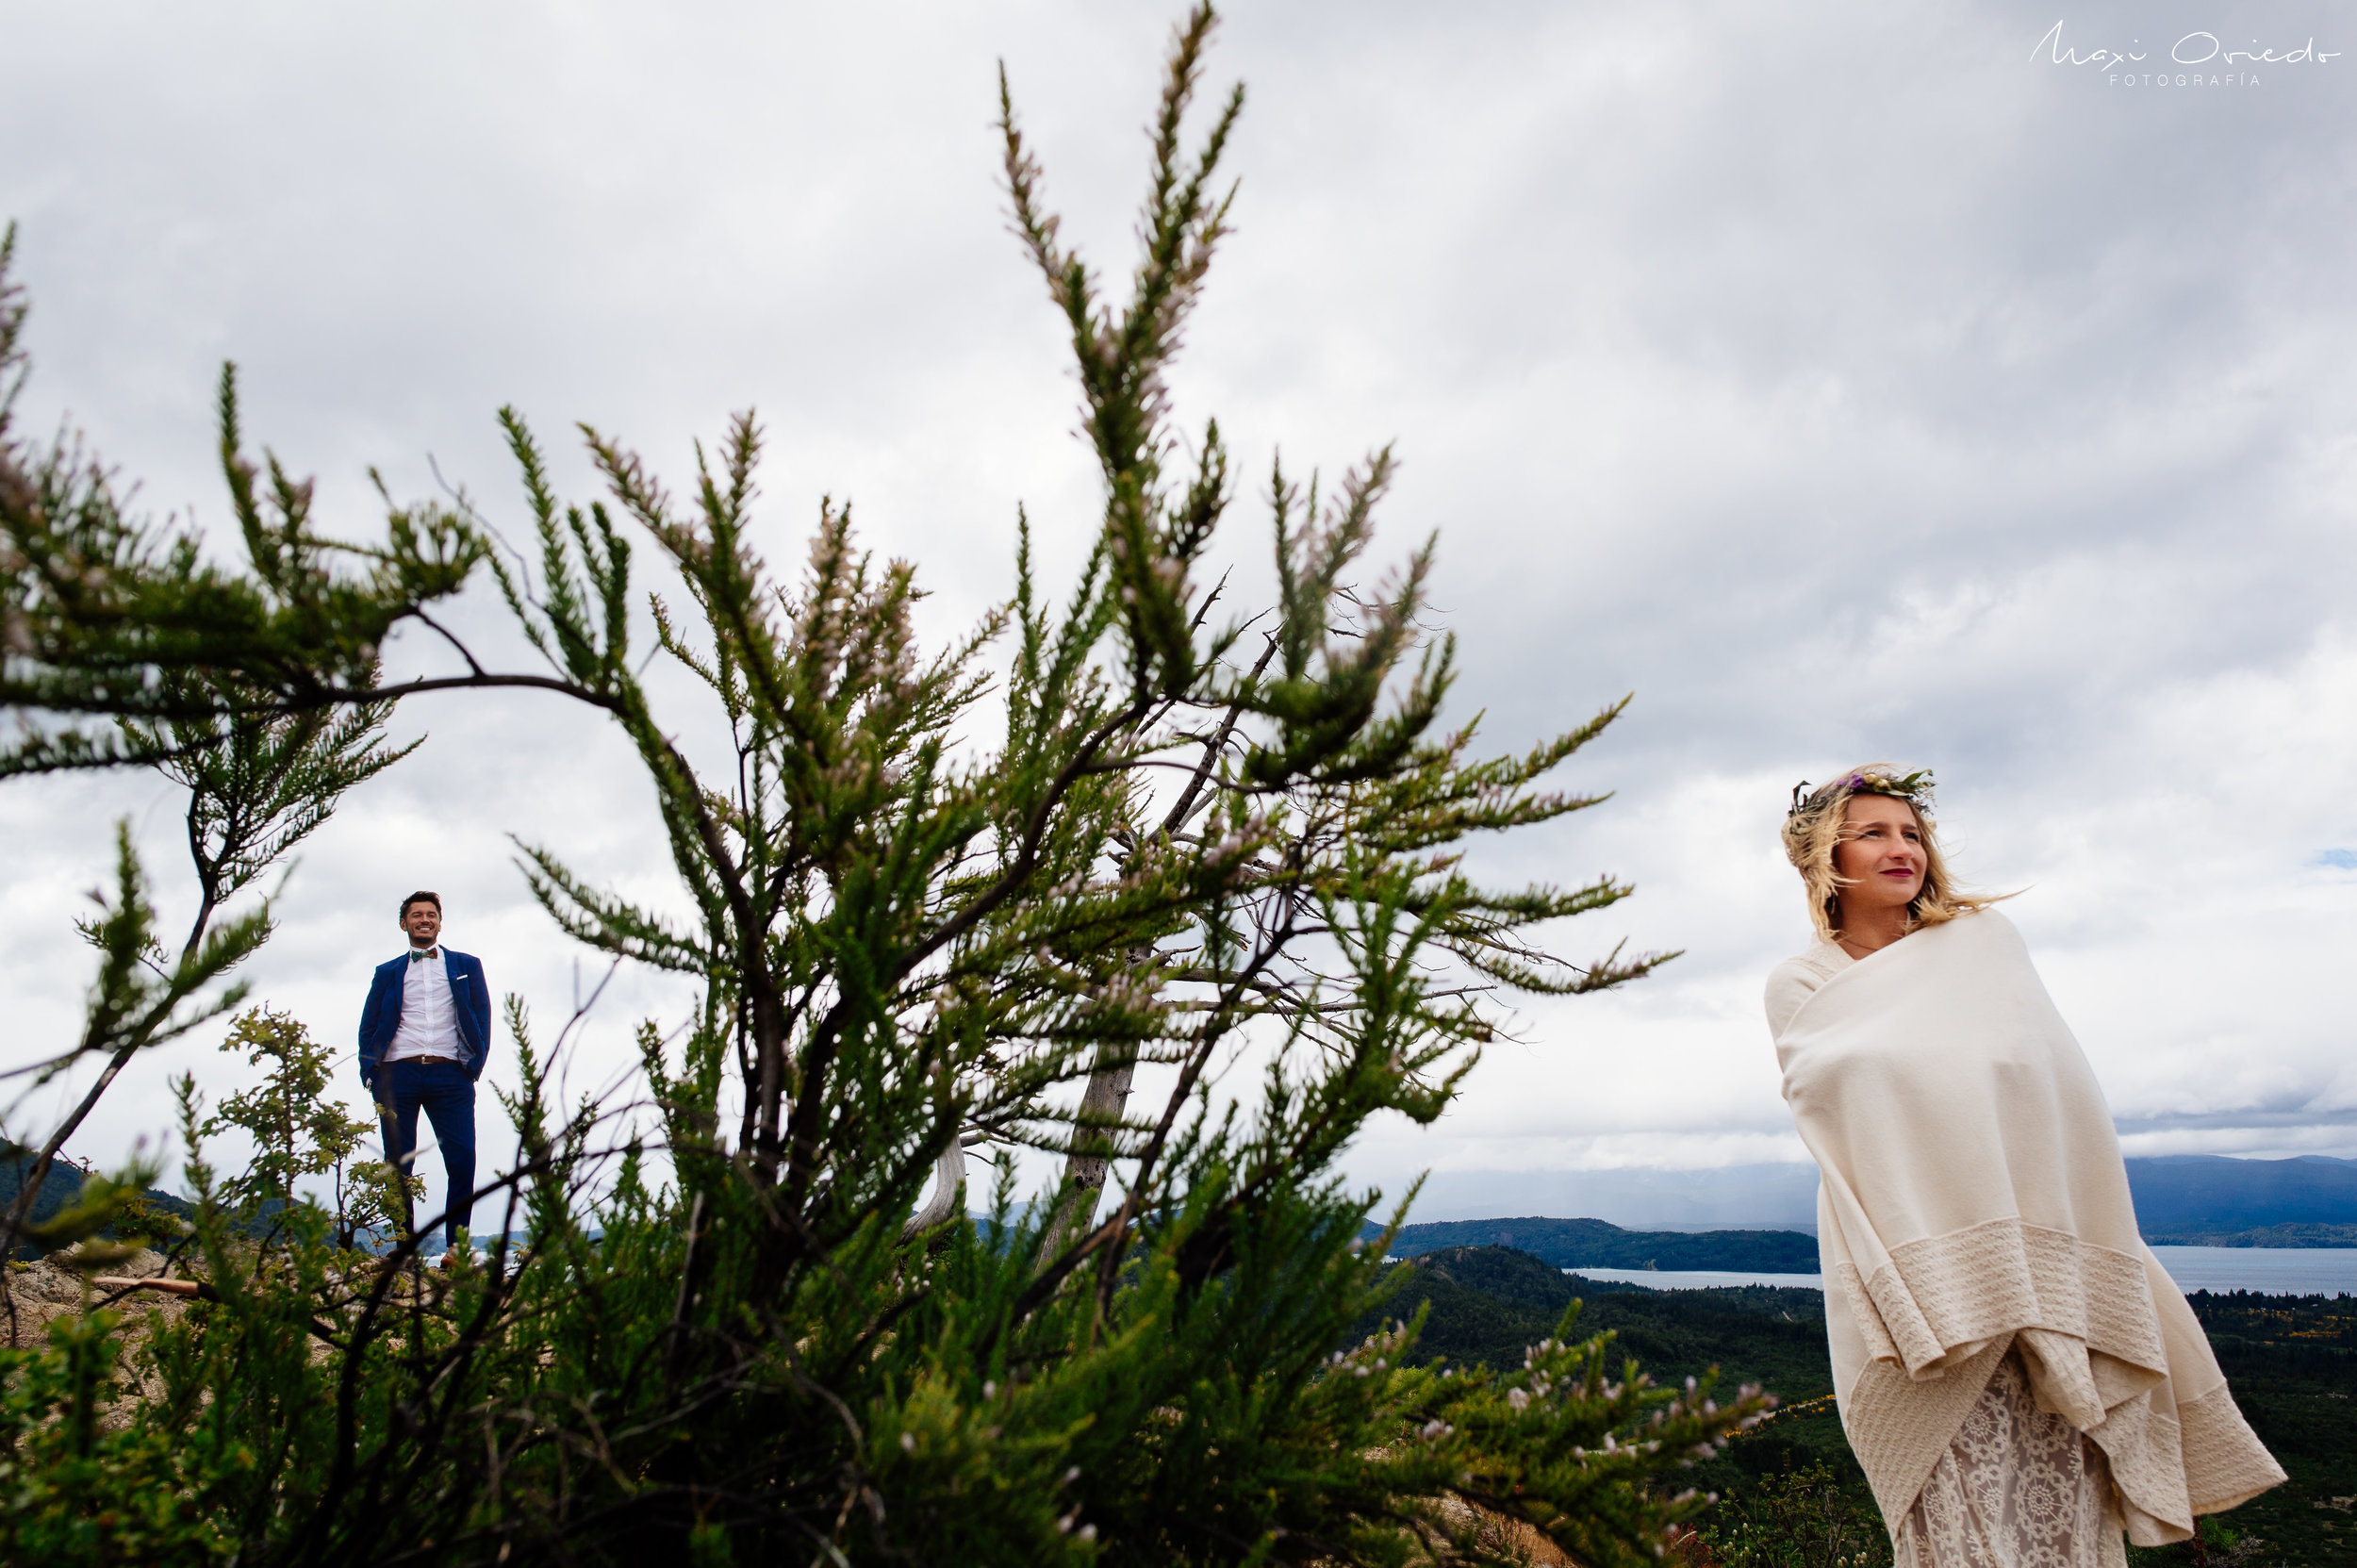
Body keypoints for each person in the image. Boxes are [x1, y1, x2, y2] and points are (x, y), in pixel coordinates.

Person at [1764, 767, 2283, 1565]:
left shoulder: (1982, 945)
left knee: (2062, 1486)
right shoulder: (1801, 982)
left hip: (2041, 1249)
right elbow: (1839, 1108)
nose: (1901, 848)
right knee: (1954, 1501)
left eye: (1911, 833)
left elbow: (2050, 1084)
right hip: (1905, 1265)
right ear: (1823, 861)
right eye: (1873, 834)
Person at [358, 891, 492, 1261]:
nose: (424, 920)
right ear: (404, 924)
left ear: (439, 921)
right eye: (416, 915)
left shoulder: (467, 965)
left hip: (451, 1074)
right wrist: (369, 1073)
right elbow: (369, 1025)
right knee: (398, 1162)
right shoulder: (387, 972)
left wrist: (475, 1065)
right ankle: (403, 1247)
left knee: (462, 1158)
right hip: (397, 1074)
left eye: (431, 914)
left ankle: (456, 1247)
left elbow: (482, 1016)